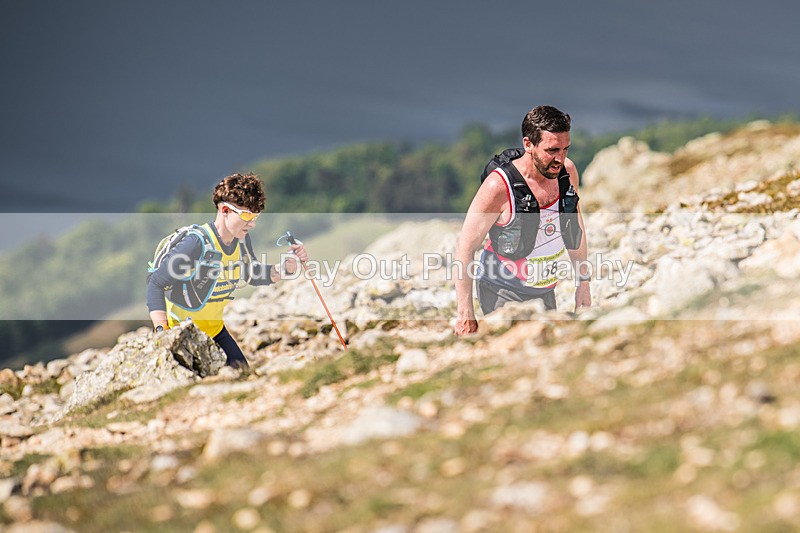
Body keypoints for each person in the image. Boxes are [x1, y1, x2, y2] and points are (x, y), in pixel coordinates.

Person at [454, 105, 591, 336]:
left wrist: (583, 284)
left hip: (545, 290)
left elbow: (575, 229)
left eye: (566, 149)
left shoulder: (567, 174)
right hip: (502, 289)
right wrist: (465, 313)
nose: (560, 158)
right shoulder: (498, 186)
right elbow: (465, 248)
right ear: (528, 144)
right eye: (552, 150)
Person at [147, 172, 307, 368]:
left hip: (215, 331)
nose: (253, 223)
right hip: (181, 335)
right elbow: (156, 283)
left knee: (243, 378)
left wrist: (286, 268)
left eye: (256, 216)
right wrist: (162, 334)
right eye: (247, 215)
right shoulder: (196, 244)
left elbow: (253, 275)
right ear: (224, 210)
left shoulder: (241, 241)